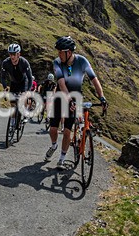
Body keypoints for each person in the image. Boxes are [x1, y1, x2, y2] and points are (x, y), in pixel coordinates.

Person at [45, 36, 107, 169]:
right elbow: (61, 84)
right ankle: (54, 145)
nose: (58, 54)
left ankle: (61, 159)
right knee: (53, 128)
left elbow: (94, 80)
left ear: (69, 52)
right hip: (61, 96)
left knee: (67, 131)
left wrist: (102, 97)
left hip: (76, 97)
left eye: (61, 52)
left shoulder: (82, 61)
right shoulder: (57, 62)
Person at [0, 43, 33, 126]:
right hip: (14, 82)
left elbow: (30, 78)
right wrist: (5, 87)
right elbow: (3, 77)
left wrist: (28, 91)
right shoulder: (6, 63)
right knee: (13, 102)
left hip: (23, 82)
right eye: (10, 54)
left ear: (18, 54)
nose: (12, 56)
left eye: (14, 54)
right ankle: (13, 120)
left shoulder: (24, 62)